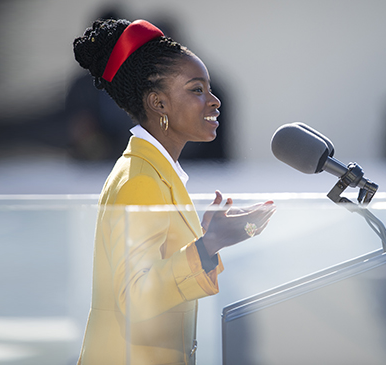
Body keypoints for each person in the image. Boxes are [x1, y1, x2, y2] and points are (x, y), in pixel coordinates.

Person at [72, 18, 275, 364]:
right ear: (159, 104)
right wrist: (208, 244)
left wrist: (209, 239)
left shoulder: (156, 172)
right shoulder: (141, 181)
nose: (214, 101)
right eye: (197, 90)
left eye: (209, 89)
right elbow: (135, 296)